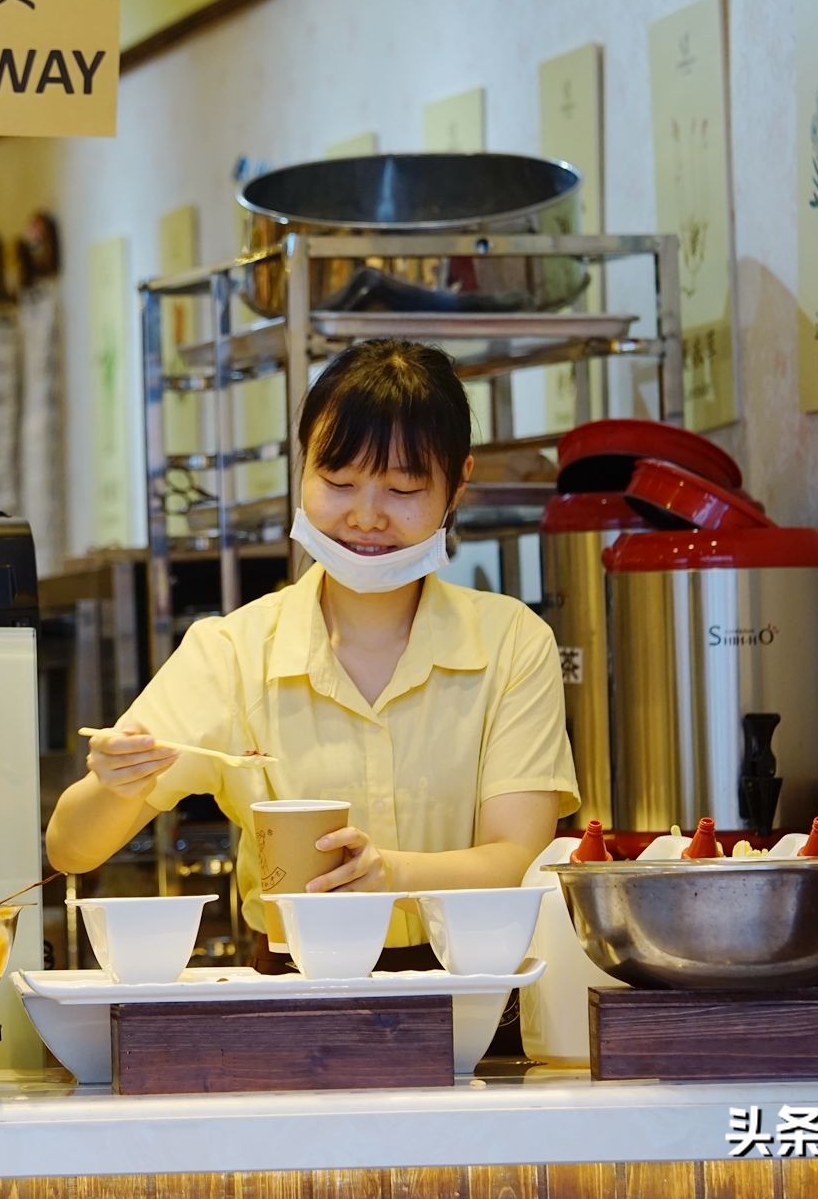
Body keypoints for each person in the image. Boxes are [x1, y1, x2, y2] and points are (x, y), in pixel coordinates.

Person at [45, 340, 579, 971]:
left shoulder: (512, 642)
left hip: (480, 989)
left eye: (403, 488)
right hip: (289, 993)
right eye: (338, 482)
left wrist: (391, 873)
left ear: (457, 483)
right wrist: (114, 785)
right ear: (303, 469)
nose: (365, 516)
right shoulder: (234, 652)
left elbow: (518, 856)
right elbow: (70, 850)